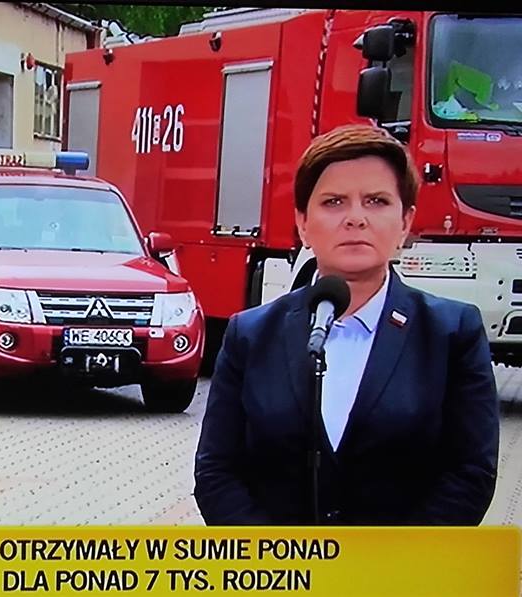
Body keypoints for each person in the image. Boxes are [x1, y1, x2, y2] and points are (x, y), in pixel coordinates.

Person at [193, 124, 499, 525]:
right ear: (303, 222)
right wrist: (280, 558)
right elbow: (216, 472)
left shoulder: (452, 333)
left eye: (376, 201)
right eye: (334, 202)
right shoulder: (249, 335)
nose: (356, 218)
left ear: (405, 222)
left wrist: (391, 562)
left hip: (404, 564)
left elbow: (471, 474)